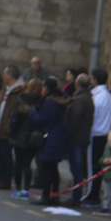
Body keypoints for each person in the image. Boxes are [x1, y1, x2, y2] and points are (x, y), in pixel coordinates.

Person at [30, 77, 68, 206]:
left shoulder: (50, 102)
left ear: (46, 87)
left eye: (43, 87)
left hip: (51, 138)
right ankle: (54, 195)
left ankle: (47, 195)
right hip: (56, 138)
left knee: (47, 169)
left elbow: (41, 120)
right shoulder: (57, 100)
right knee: (52, 168)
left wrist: (31, 112)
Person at [0, 65, 24, 190]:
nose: (3, 76)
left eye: (5, 73)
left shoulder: (18, 90)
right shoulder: (5, 89)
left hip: (8, 128)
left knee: (6, 155)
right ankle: (0, 179)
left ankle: (6, 180)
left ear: (10, 75)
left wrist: (9, 123)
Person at [63, 74, 94, 207]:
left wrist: (68, 135)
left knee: (77, 169)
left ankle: (76, 197)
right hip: (81, 137)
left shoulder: (81, 99)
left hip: (77, 139)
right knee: (77, 168)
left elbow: (74, 120)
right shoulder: (87, 98)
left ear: (77, 84)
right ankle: (76, 196)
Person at [87, 68, 111, 207]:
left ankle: (92, 195)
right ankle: (93, 194)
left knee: (94, 167)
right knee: (96, 166)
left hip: (96, 134)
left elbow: (93, 115)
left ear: (95, 80)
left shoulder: (99, 96)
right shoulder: (107, 95)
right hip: (102, 133)